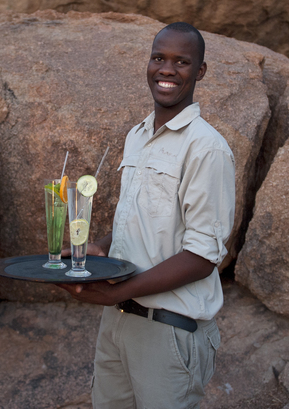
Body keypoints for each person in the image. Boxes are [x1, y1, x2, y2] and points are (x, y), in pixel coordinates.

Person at [58, 22, 235, 409]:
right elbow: (136, 216)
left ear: (199, 71)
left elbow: (203, 257)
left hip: (168, 332)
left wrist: (119, 291)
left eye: (181, 61)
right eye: (159, 58)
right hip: (119, 323)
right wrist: (99, 248)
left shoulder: (207, 148)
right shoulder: (137, 136)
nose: (167, 69)